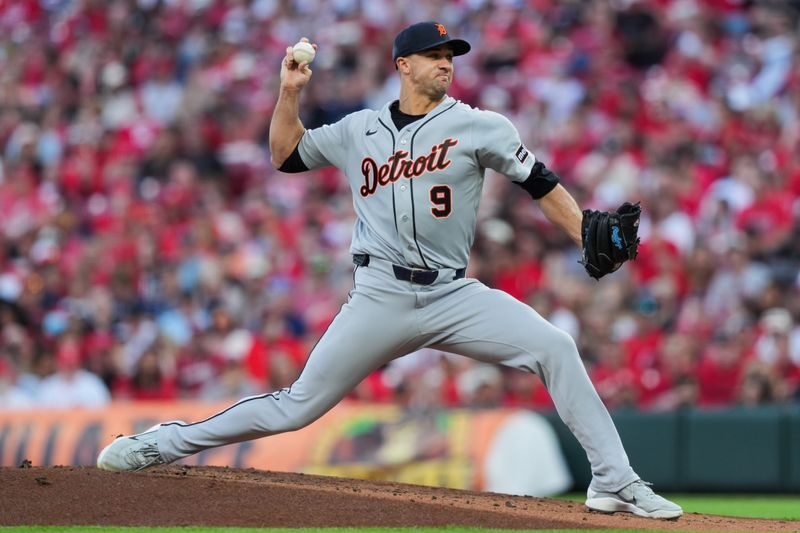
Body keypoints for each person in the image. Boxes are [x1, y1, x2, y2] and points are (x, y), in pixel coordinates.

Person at [97, 22, 682, 519]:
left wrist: (582, 227)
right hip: (380, 293)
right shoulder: (358, 130)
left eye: (451, 57)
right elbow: (284, 155)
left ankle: (613, 479)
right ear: (403, 64)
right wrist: (289, 94)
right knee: (297, 406)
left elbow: (542, 185)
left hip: (454, 295)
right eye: (434, 56)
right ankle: (161, 444)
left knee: (555, 347)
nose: (446, 65)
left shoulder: (481, 125)